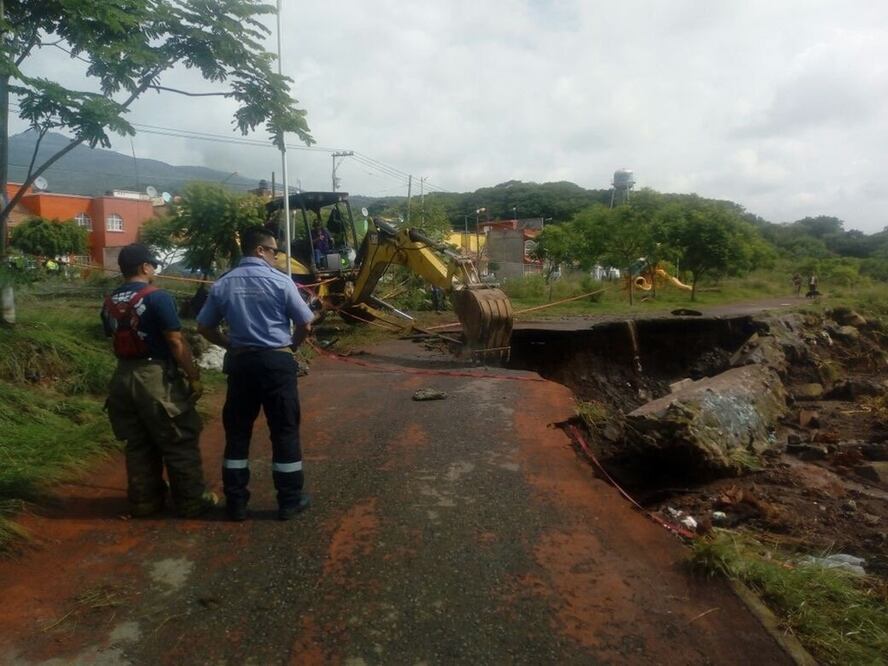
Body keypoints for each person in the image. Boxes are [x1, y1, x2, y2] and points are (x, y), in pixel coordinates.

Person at [196, 227, 314, 521]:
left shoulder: (223, 284)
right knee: (284, 430)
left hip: (241, 364)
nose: (276, 257)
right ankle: (289, 501)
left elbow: (204, 327)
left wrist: (231, 344)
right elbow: (305, 324)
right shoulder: (281, 282)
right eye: (274, 251)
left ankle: (236, 503)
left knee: (237, 432)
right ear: (260, 250)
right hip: (276, 363)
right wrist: (292, 348)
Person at [103, 243, 214, 517]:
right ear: (144, 267)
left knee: (138, 443)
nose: (154, 269)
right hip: (154, 378)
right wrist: (193, 375)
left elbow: (113, 336)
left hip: (122, 377)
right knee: (178, 439)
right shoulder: (157, 297)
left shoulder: (109, 301)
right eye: (153, 264)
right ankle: (191, 502)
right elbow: (175, 341)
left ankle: (145, 503)